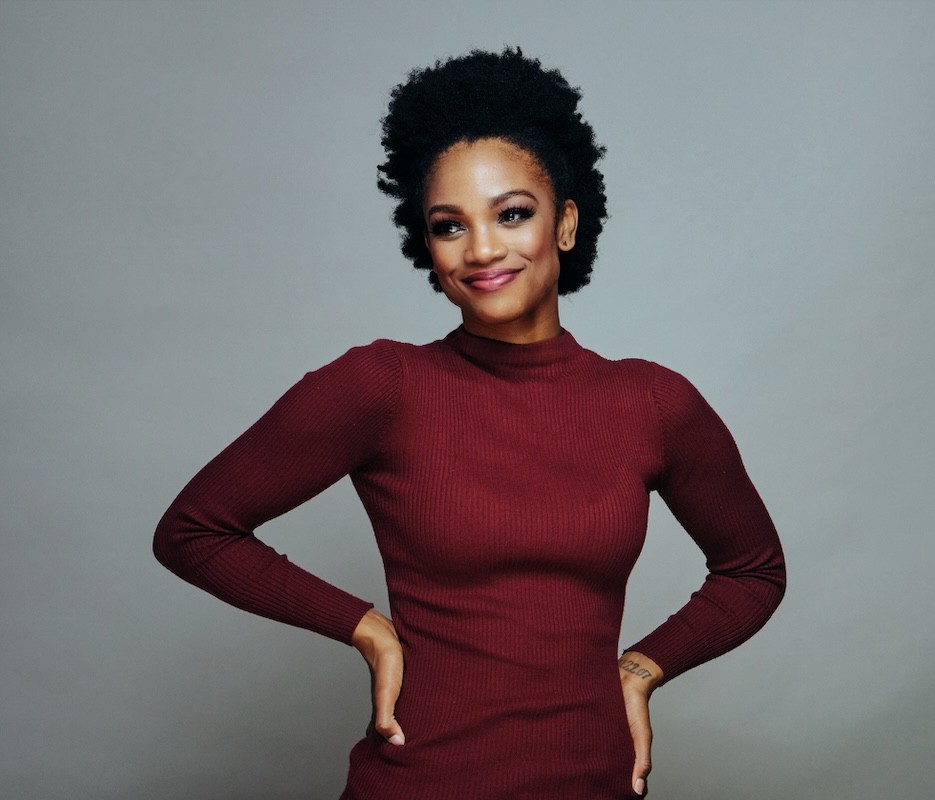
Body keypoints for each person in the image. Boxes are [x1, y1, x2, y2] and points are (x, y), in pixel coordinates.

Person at [154, 47, 785, 800]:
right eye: (450, 226)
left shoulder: (651, 404)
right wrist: (365, 627)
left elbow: (754, 570)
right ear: (427, 246)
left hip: (593, 784)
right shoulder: (382, 387)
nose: (482, 249)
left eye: (512, 213)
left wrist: (641, 672)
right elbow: (193, 531)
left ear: (567, 223)